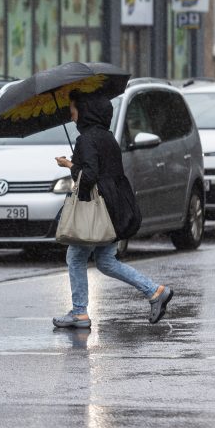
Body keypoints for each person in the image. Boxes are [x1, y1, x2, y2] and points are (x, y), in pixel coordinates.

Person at [52, 90, 173, 328]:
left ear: (85, 112)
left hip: (98, 211)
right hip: (113, 206)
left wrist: (70, 165)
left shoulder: (86, 139)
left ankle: (79, 313)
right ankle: (155, 291)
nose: (72, 115)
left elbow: (89, 176)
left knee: (75, 257)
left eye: (74, 109)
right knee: (106, 261)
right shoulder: (107, 137)